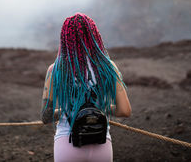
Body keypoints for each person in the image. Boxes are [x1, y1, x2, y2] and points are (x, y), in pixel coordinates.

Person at [41, 13, 131, 162]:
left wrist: (73, 110)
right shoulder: (108, 67)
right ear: (94, 35)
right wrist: (100, 109)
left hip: (67, 144)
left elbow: (46, 116)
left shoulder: (55, 70)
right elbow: (124, 111)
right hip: (101, 143)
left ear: (65, 38)